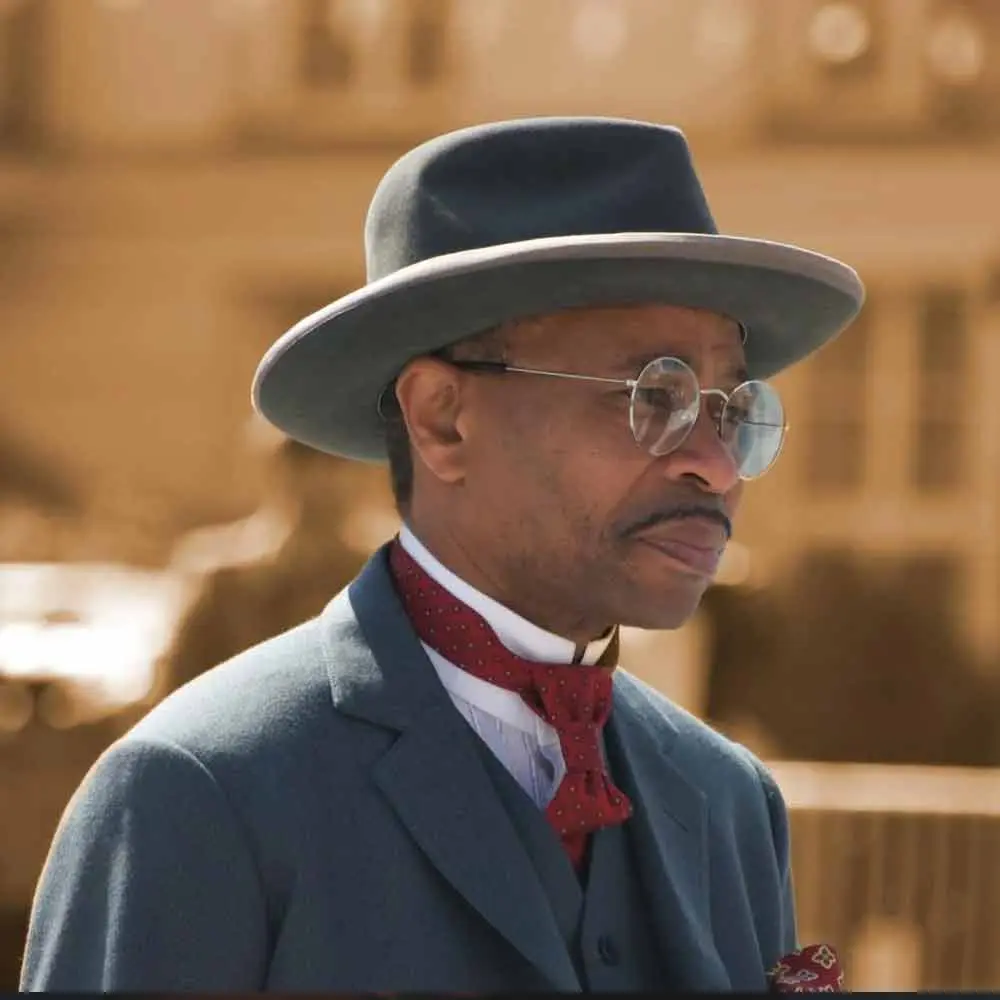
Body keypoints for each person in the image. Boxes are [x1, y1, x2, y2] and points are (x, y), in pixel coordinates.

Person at [20, 117, 863, 993]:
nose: (718, 464)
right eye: (655, 393)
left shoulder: (730, 803)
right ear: (442, 419)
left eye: (733, 407)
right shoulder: (194, 796)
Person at [159, 425, 394, 697]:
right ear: (279, 468)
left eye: (338, 462)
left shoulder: (390, 576)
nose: (324, 479)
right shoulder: (224, 580)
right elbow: (177, 696)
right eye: (305, 459)